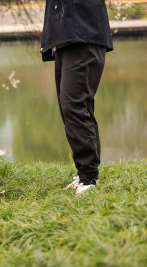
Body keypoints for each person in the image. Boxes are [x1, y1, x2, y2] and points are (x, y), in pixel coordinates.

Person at [40, 0, 113, 194]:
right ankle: (85, 174)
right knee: (71, 107)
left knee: (74, 105)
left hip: (84, 35)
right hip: (65, 40)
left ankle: (89, 178)